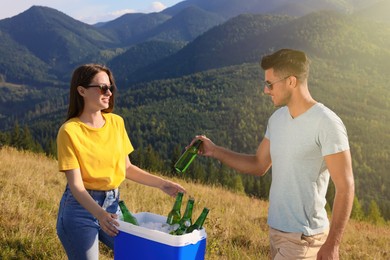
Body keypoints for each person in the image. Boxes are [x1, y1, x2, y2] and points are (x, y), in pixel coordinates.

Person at [193, 49, 354, 259]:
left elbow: (346, 186)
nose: (265, 90)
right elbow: (259, 164)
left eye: (270, 84)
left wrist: (332, 244)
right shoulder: (277, 119)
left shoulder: (326, 123)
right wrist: (214, 150)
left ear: (291, 82)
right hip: (276, 234)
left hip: (304, 238)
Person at [56, 63, 185, 260]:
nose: (108, 92)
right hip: (80, 210)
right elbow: (76, 186)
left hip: (112, 206)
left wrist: (163, 184)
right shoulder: (69, 131)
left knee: (139, 254)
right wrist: (99, 214)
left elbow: (126, 167)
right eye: (102, 88)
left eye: (110, 87)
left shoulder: (116, 122)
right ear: (81, 91)